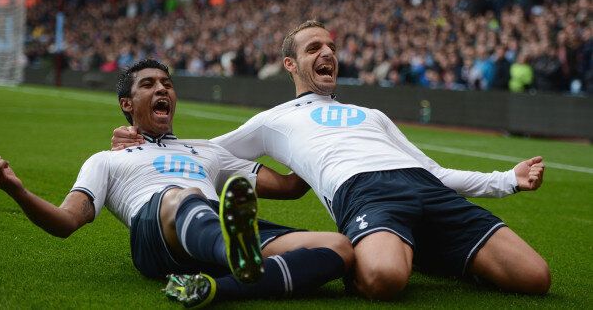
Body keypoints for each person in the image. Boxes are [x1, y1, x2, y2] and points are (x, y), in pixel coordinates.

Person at [112, 21, 550, 300]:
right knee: (384, 282)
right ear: (291, 63)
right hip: (365, 194)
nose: (327, 53)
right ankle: (378, 254)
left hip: (425, 188)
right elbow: (204, 151)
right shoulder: (273, 120)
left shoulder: (372, 115)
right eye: (313, 48)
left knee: (536, 279)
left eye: (331, 46)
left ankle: (424, 248)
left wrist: (505, 179)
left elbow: (434, 171)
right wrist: (141, 141)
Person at [0, 59, 353, 308]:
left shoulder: (209, 151)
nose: (162, 89)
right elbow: (66, 222)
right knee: (182, 196)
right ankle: (235, 254)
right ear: (128, 104)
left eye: (167, 84)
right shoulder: (107, 159)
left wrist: (316, 138)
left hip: (214, 225)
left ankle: (214, 286)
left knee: (337, 248)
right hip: (155, 231)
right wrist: (18, 191)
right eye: (148, 85)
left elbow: (289, 187)